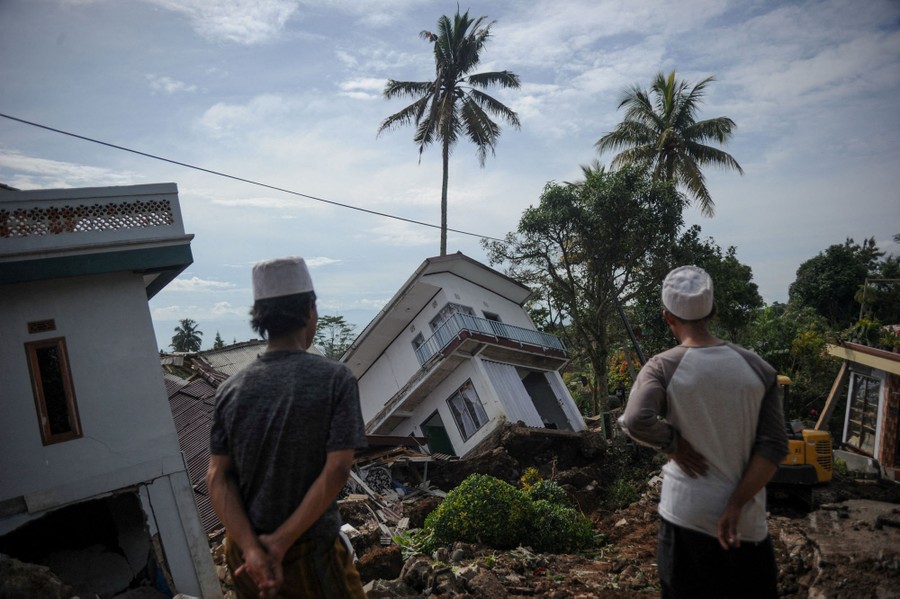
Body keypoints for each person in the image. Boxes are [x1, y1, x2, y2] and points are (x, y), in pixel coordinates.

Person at [619, 265, 788, 599]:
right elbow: (774, 446)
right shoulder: (758, 367)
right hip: (745, 526)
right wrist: (736, 503)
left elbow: (635, 418)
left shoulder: (662, 366)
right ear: (714, 312)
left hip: (685, 515)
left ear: (668, 317)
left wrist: (673, 443)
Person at [207, 256, 368, 598]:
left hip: (244, 555)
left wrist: (252, 549)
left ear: (261, 319)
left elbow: (218, 477)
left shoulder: (229, 390)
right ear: (310, 310)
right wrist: (278, 544)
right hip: (307, 549)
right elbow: (338, 467)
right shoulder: (334, 378)